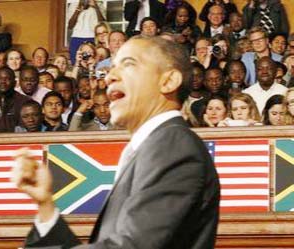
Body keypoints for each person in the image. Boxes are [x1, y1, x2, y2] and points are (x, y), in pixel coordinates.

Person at [14, 36, 220, 249]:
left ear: (168, 81)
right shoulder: (154, 146)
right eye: (111, 68)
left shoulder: (173, 145)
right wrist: (46, 204)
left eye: (128, 64)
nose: (110, 76)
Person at [67, 0, 105, 65]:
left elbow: (102, 23)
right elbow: (70, 26)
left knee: (94, 62)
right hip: (76, 37)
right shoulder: (74, 5)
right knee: (76, 62)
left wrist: (96, 7)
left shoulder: (99, 4)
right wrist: (78, 8)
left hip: (93, 37)